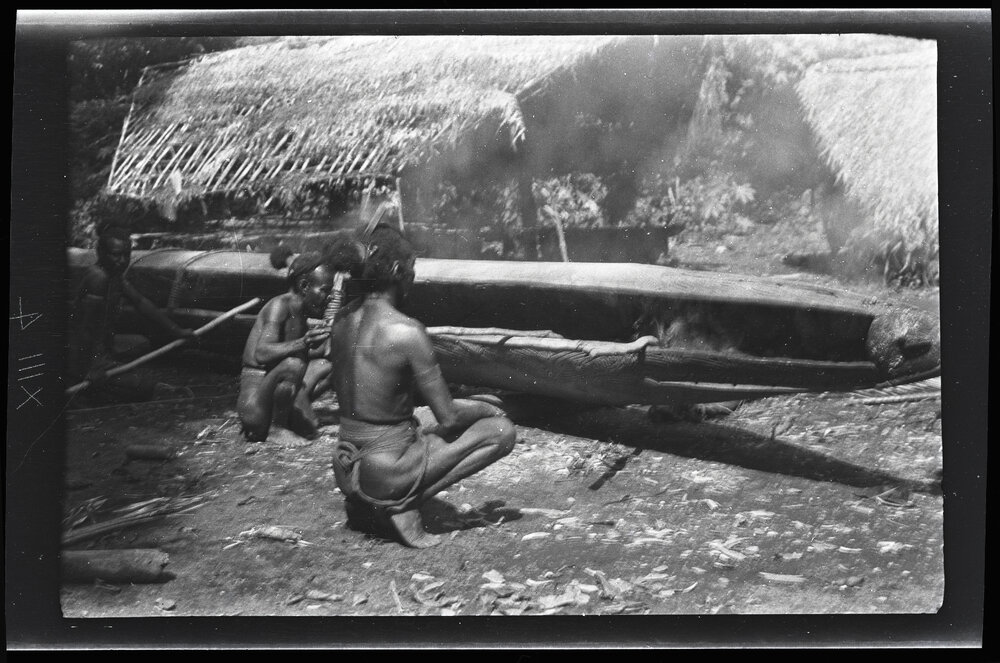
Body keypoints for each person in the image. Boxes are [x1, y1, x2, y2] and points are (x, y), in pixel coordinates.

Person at [328, 224, 516, 548]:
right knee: (501, 431)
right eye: (412, 269)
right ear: (399, 270)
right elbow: (449, 419)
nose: (413, 277)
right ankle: (397, 505)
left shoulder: (342, 321)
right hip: (387, 473)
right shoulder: (407, 330)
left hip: (346, 468)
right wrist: (487, 407)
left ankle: (367, 504)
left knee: (422, 424)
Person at [69, 226, 196, 403]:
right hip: (80, 351)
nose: (122, 261)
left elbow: (141, 302)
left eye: (126, 255)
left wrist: (176, 330)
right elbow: (86, 327)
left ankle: (100, 379)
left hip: (100, 347)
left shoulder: (115, 276)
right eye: (116, 255)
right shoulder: (98, 278)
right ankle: (85, 382)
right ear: (100, 253)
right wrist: (93, 366)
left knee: (140, 344)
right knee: (142, 387)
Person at [237, 249, 337, 446]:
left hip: (273, 392)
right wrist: (303, 342)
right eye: (324, 290)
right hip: (254, 406)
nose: (328, 297)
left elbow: (301, 352)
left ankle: (289, 418)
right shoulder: (279, 306)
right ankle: (276, 428)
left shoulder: (300, 310)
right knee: (294, 365)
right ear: (304, 286)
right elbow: (262, 353)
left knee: (328, 365)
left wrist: (329, 344)